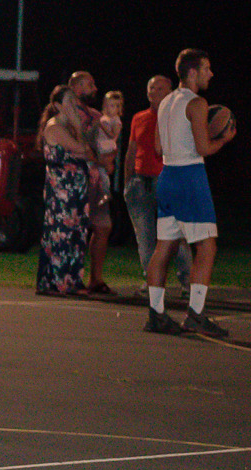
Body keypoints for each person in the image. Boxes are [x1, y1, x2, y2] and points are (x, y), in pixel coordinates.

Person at [145, 48, 235, 337]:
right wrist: (224, 138)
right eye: (207, 68)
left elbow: (158, 148)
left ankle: (156, 315)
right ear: (192, 72)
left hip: (167, 176)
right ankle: (195, 315)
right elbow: (204, 149)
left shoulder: (166, 101)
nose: (211, 73)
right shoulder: (197, 103)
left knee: (163, 248)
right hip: (189, 176)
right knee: (207, 246)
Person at [122, 75, 189, 292]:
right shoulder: (139, 117)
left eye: (160, 88)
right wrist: (127, 182)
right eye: (152, 87)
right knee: (145, 236)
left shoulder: (177, 116)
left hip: (166, 181)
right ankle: (152, 280)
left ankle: (188, 279)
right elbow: (132, 151)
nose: (155, 91)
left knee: (176, 235)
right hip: (140, 183)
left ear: (170, 91)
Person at [34, 86, 92, 297]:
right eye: (68, 102)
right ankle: (56, 280)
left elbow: (88, 153)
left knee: (77, 232)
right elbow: (82, 149)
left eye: (74, 102)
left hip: (75, 187)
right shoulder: (55, 127)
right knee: (61, 232)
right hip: (62, 190)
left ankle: (73, 279)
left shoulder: (69, 128)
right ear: (58, 105)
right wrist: (78, 127)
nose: (73, 107)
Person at [86, 91, 123, 296]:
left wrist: (106, 161)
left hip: (98, 173)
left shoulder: (111, 122)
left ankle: (95, 279)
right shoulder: (93, 121)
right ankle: (73, 276)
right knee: (95, 226)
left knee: (102, 226)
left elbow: (111, 142)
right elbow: (86, 149)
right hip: (90, 173)